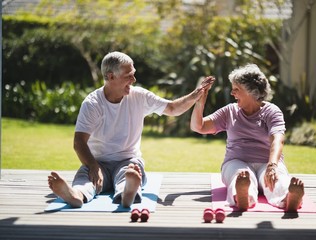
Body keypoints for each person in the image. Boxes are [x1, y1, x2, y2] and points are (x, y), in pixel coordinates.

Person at [48, 51, 215, 208]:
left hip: (128, 160)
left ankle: (127, 193)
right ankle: (75, 195)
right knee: (85, 179)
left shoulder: (139, 96)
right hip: (98, 162)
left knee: (128, 173)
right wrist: (92, 165)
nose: (134, 79)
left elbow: (172, 109)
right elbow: (79, 142)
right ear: (110, 77)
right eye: (128, 76)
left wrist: (196, 94)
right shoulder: (92, 103)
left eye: (133, 73)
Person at [190, 64, 304, 212]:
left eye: (236, 89)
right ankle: (243, 197)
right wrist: (200, 102)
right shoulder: (230, 111)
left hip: (267, 162)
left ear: (252, 92)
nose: (232, 93)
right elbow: (198, 127)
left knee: (277, 178)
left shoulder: (272, 111)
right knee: (241, 176)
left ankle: (288, 198)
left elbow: (278, 139)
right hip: (236, 161)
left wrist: (272, 165)